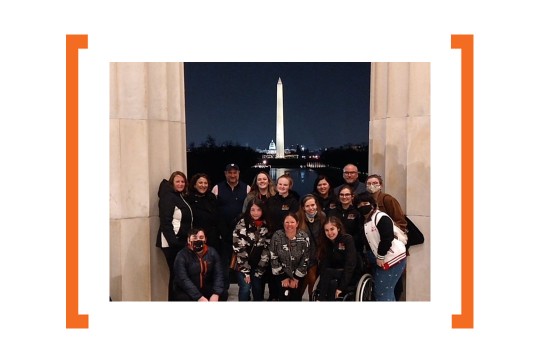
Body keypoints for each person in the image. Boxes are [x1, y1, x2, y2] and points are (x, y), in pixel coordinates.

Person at [365, 174, 407, 301]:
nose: (372, 186)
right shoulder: (366, 200)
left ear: (381, 185)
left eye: (375, 183)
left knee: (387, 288)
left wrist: (387, 227)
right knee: (380, 286)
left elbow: (401, 221)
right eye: (369, 183)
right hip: (374, 248)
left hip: (390, 250)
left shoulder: (387, 200)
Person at [211, 163, 251, 291]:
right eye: (230, 172)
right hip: (223, 234)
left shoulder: (247, 188)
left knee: (242, 263)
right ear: (225, 173)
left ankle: (244, 291)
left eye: (235, 172)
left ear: (239, 173)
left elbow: (250, 211)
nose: (232, 175)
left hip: (241, 234)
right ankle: (223, 291)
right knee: (223, 264)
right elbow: (213, 210)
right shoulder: (217, 188)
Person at [155, 171, 193, 301]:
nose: (181, 184)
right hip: (172, 244)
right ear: (172, 183)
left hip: (180, 242)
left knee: (179, 275)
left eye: (183, 181)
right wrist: (174, 243)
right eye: (178, 181)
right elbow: (165, 222)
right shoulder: (168, 197)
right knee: (177, 275)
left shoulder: (178, 196)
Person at [232, 198, 271, 301]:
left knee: (258, 288)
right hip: (243, 263)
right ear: (248, 210)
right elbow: (239, 248)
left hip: (258, 264)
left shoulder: (266, 225)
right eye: (252, 210)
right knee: (245, 287)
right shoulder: (242, 223)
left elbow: (267, 248)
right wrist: (245, 272)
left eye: (258, 210)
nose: (256, 213)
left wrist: (260, 269)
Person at [173, 228, 226, 301]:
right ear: (188, 240)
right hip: (187, 290)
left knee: (223, 294)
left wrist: (216, 293)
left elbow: (219, 274)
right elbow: (183, 279)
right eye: (194, 237)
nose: (198, 240)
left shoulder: (212, 252)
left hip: (206, 287)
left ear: (205, 240)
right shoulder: (181, 255)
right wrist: (198, 297)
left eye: (201, 237)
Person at [269, 213, 310, 301]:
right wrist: (283, 277)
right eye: (287, 222)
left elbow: (305, 259)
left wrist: (296, 278)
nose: (289, 225)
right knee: (283, 297)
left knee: (296, 298)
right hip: (280, 274)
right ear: (283, 223)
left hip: (298, 275)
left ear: (297, 223)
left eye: (292, 222)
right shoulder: (277, 236)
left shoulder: (304, 237)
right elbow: (273, 257)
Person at [317, 216, 357, 301]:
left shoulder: (347, 239)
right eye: (326, 230)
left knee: (328, 273)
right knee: (325, 270)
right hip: (334, 273)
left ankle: (321, 299)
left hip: (349, 273)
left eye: (332, 229)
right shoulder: (326, 242)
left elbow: (350, 264)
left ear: (338, 228)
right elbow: (325, 263)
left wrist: (341, 288)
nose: (329, 233)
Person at [297, 194, 326, 301]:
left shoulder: (322, 216)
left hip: (315, 255)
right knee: (300, 283)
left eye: (313, 205)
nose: (311, 208)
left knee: (312, 281)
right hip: (301, 256)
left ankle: (311, 300)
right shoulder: (298, 218)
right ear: (303, 207)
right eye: (308, 206)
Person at [186, 173, 219, 250]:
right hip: (196, 237)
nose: (203, 185)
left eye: (205, 183)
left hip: (212, 237)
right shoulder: (188, 198)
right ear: (194, 185)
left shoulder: (211, 197)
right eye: (200, 183)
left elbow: (218, 216)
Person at [327, 184, 363, 253]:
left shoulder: (357, 212)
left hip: (353, 248)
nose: (344, 197)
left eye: (347, 195)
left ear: (352, 196)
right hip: (334, 248)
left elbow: (359, 233)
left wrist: (348, 242)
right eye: (341, 195)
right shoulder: (333, 211)